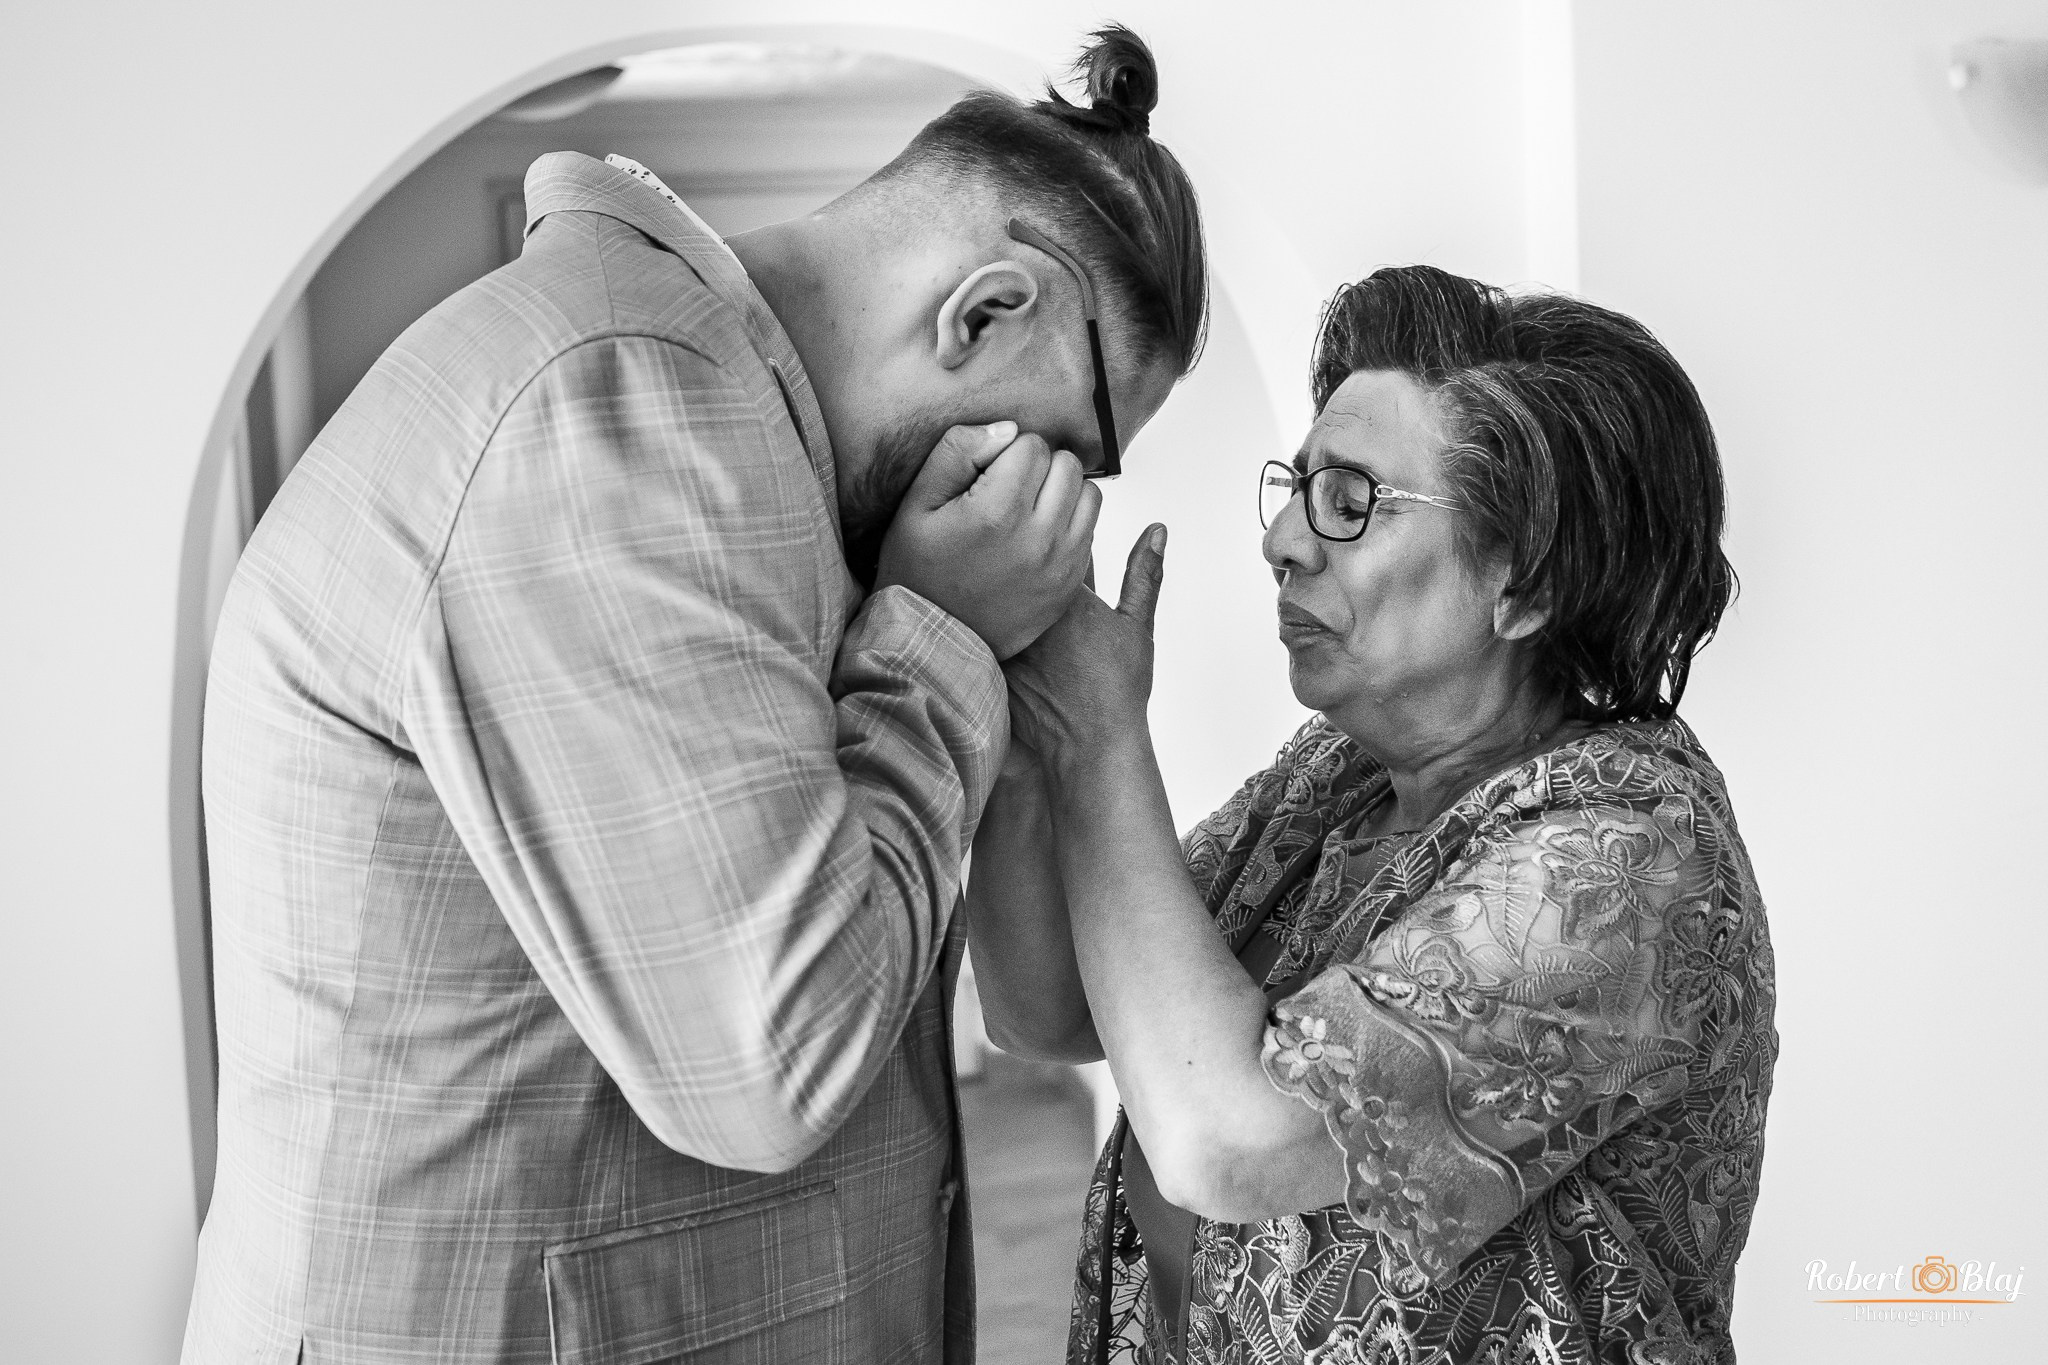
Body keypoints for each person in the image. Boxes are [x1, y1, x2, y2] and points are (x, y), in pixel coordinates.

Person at [182, 27, 1206, 1365]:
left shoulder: (743, 446)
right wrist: (947, 635)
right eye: (1077, 446)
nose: (1057, 506)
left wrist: (1033, 699)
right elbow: (771, 1064)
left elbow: (1034, 1007)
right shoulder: (613, 409)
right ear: (987, 311)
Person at [970, 266, 1776, 1363]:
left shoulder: (1622, 866)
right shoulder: (1336, 780)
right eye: (1296, 488)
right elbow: (1051, 1010)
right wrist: (1035, 747)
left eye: (1349, 500)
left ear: (1524, 579)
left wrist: (1103, 739)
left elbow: (1227, 1141)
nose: (1282, 541)